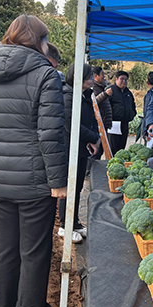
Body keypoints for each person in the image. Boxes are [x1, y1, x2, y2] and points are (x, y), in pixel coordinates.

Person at [0, 14, 67, 307]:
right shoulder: (45, 75)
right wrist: (58, 181)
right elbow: (50, 133)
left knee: (6, 247)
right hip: (34, 181)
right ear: (39, 41)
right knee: (35, 250)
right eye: (45, 40)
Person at [58, 63, 99, 241]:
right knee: (69, 188)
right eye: (89, 77)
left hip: (81, 149)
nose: (91, 80)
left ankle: (74, 222)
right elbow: (70, 124)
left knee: (78, 187)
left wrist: (94, 137)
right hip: (69, 149)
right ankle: (64, 226)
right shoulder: (68, 95)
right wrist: (92, 136)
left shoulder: (84, 95)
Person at [107, 70, 136, 154]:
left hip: (125, 123)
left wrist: (132, 114)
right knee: (113, 147)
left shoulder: (128, 92)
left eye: (126, 80)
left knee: (121, 147)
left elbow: (132, 105)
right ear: (116, 79)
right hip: (114, 124)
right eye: (122, 79)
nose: (124, 81)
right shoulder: (110, 90)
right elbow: (105, 106)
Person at [90, 65, 112, 160]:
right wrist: (105, 94)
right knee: (97, 150)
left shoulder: (102, 86)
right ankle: (90, 171)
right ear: (96, 76)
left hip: (104, 123)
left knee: (102, 149)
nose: (103, 77)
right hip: (98, 124)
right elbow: (94, 102)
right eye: (102, 74)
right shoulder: (93, 87)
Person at [140, 70, 153, 140]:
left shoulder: (149, 95)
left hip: (152, 129)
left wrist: (145, 132)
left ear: (147, 82)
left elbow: (147, 113)